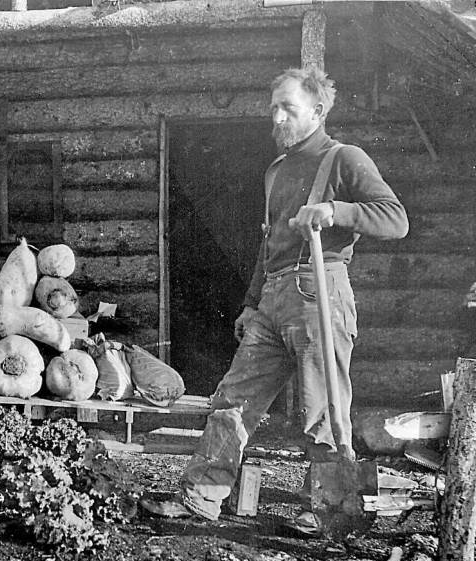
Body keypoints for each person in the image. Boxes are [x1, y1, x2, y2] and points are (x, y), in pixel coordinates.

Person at [146, 66, 409, 536]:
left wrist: (335, 210)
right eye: (274, 109)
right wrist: (251, 303)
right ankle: (202, 494)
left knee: (321, 409)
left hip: (319, 292)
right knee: (232, 397)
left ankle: (330, 508)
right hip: (273, 296)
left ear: (318, 110)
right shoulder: (278, 170)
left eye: (288, 107)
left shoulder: (344, 158)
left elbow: (395, 217)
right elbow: (267, 246)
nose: (278, 117)